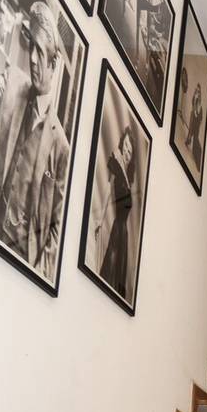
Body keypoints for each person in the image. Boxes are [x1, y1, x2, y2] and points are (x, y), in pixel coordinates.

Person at [0, 0, 70, 279]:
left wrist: (38, 278)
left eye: (40, 52)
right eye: (31, 47)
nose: (33, 59)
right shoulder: (12, 84)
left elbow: (57, 229)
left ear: (54, 63)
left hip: (21, 261)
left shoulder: (61, 147)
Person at [96, 122, 137, 296]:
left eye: (130, 151)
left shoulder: (128, 177)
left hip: (124, 233)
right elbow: (107, 188)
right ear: (122, 143)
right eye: (126, 146)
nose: (127, 152)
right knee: (110, 273)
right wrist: (100, 219)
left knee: (118, 277)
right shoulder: (117, 162)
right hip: (117, 229)